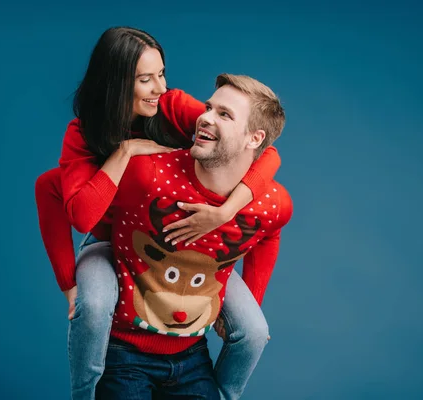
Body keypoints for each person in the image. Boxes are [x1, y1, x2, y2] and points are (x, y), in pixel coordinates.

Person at [34, 27, 282, 399]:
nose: (160, 88)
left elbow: (265, 150)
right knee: (95, 305)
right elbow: (78, 214)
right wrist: (124, 152)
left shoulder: (173, 107)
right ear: (116, 82)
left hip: (191, 242)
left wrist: (225, 212)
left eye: (162, 74)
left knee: (252, 329)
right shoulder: (84, 135)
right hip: (112, 239)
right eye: (146, 79)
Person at [94, 73, 293, 399]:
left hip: (191, 355)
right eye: (209, 107)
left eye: (224, 114)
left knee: (255, 331)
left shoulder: (272, 202)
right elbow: (84, 207)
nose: (205, 117)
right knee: (91, 303)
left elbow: (269, 228)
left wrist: (251, 301)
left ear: (254, 138)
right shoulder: (148, 172)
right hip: (125, 351)